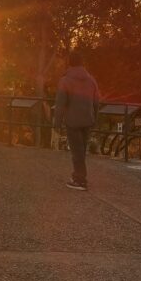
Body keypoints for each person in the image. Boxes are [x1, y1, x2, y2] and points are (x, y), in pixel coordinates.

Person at [53, 49, 100, 190]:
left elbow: (60, 104)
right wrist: (94, 118)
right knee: (82, 150)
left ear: (69, 63)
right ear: (82, 63)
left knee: (76, 152)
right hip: (87, 119)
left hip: (72, 121)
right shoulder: (91, 80)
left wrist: (57, 123)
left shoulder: (65, 80)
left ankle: (80, 180)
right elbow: (96, 102)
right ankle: (78, 176)